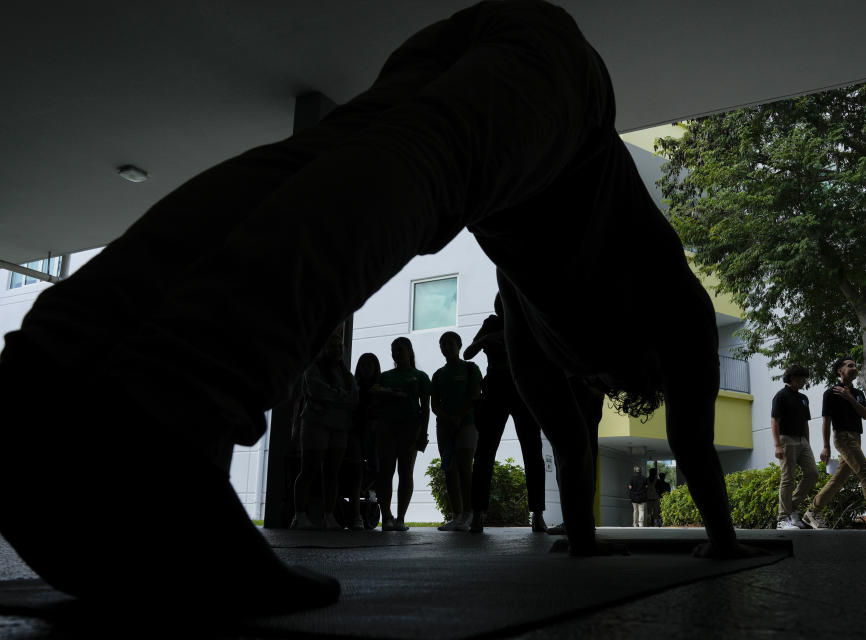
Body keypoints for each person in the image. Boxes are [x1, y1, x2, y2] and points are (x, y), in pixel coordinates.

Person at [0, 0, 746, 615]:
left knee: (332, 153)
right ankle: (168, 415)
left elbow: (575, 449)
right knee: (429, 162)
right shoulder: (673, 300)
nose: (594, 386)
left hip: (469, 43)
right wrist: (722, 540)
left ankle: (52, 363)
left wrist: (583, 542)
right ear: (636, 355)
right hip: (561, 77)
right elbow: (682, 437)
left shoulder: (534, 321)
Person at [466, 294, 548, 534]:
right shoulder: (491, 322)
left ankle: (538, 514)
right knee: (485, 451)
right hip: (495, 386)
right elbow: (468, 353)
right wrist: (490, 338)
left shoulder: (527, 321)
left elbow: (542, 353)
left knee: (532, 450)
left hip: (522, 385)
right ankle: (478, 513)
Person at [802, 356, 866, 530]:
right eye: (850, 366)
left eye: (855, 366)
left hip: (856, 437)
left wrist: (850, 397)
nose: (854, 368)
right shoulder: (831, 393)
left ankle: (812, 512)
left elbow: (865, 414)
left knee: (838, 480)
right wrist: (826, 446)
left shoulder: (858, 394)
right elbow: (826, 421)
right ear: (840, 371)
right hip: (843, 438)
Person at [292, 332, 359, 531]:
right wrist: (342, 396)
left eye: (339, 347)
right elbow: (317, 391)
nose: (337, 350)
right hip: (316, 424)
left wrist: (334, 398)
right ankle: (299, 515)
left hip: (339, 426)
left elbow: (355, 397)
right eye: (332, 346)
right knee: (309, 469)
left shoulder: (345, 373)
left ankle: (329, 516)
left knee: (332, 472)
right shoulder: (313, 368)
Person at [374, 337, 430, 532]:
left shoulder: (421, 376)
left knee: (405, 472)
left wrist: (423, 433)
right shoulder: (384, 376)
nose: (397, 353)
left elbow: (426, 407)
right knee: (385, 472)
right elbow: (375, 398)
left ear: (409, 351)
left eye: (400, 349)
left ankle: (401, 518)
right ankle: (386, 516)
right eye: (394, 350)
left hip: (410, 429)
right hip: (386, 429)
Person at [432, 331, 482, 532]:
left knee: (464, 468)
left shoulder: (470, 368)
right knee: (449, 469)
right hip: (444, 427)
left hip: (468, 424)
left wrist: (459, 417)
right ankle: (456, 515)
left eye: (451, 343)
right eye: (443, 344)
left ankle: (469, 514)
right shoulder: (438, 374)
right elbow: (434, 404)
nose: (447, 347)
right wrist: (448, 418)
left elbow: (474, 395)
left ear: (459, 345)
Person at [771, 364, 817, 530]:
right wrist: (777, 445)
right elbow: (775, 421)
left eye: (805, 378)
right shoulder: (781, 396)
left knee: (812, 473)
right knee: (788, 478)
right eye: (801, 378)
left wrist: (808, 443)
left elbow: (805, 422)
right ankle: (782, 519)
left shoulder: (803, 398)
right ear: (791, 378)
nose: (804, 381)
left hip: (802, 441)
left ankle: (791, 508)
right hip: (786, 440)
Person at [346, 352, 383, 530]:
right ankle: (356, 515)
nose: (366, 369)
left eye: (370, 365)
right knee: (356, 474)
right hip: (356, 434)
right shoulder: (355, 386)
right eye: (363, 365)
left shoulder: (379, 388)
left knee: (375, 473)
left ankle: (382, 513)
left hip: (371, 435)